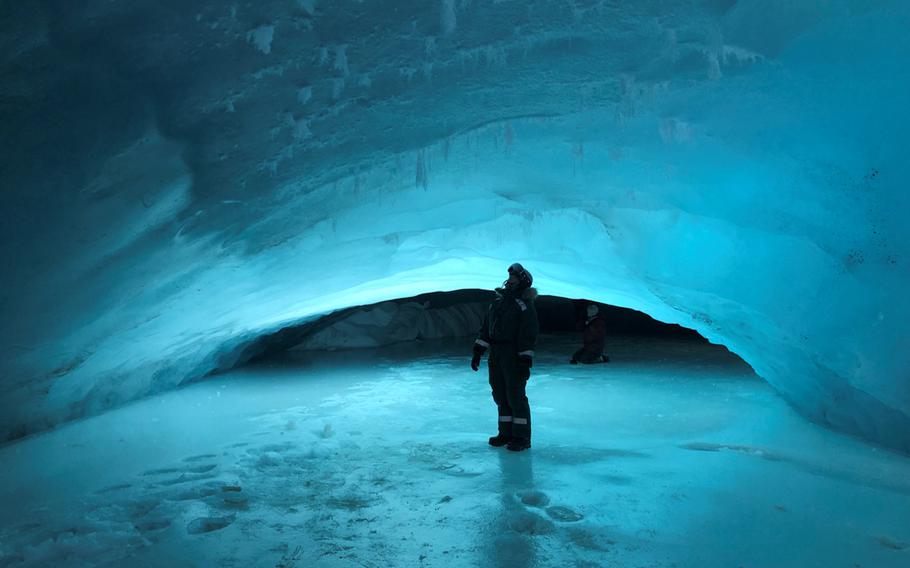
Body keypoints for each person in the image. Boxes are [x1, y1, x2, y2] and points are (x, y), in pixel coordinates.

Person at [470, 263, 539, 452]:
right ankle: (505, 433)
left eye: (514, 277)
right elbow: (486, 329)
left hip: (513, 355)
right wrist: (478, 351)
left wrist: (525, 356)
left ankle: (522, 437)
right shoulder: (497, 303)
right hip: (496, 355)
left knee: (515, 396)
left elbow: (528, 332)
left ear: (522, 281)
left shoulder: (524, 305)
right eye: (510, 276)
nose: (510, 280)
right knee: (500, 395)